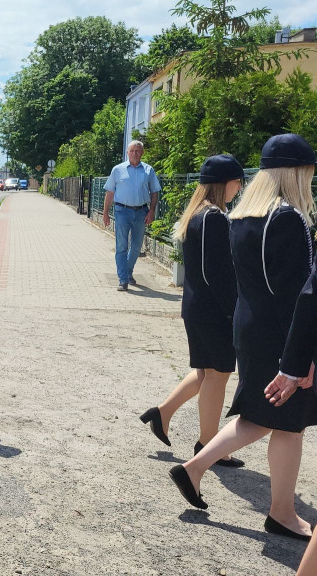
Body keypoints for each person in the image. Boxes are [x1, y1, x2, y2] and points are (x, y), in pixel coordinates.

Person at [169, 134, 317, 542]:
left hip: (251, 329)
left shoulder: (242, 216)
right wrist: (302, 355)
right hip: (283, 335)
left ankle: (195, 466)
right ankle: (282, 513)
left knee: (262, 416)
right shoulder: (287, 218)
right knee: (288, 425)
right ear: (297, 173)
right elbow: (301, 293)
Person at [140, 155, 244, 466]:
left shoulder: (197, 214)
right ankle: (208, 445)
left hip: (198, 306)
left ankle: (162, 413)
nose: (239, 188)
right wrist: (232, 311)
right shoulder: (213, 217)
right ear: (223, 183)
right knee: (218, 374)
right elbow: (218, 274)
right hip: (214, 310)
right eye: (237, 182)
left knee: (205, 372)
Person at [102, 140, 162, 291]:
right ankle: (123, 279)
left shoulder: (148, 170)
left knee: (136, 247)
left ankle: (128, 272)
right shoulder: (118, 170)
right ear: (127, 153)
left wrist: (152, 211)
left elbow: (155, 192)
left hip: (142, 212)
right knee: (121, 246)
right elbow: (110, 192)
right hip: (122, 211)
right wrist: (105, 213)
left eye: (138, 151)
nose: (135, 153)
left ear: (142, 153)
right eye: (132, 151)